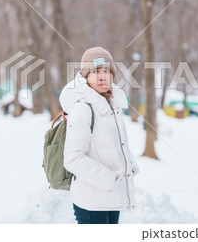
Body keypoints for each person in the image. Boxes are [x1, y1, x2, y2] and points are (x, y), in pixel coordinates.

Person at [59, 46, 139, 224]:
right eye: (95, 71)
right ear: (86, 76)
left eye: (107, 71)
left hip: (111, 198)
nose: (102, 76)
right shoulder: (83, 109)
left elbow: (116, 144)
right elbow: (72, 158)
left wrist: (130, 164)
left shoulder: (112, 106)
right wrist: (109, 180)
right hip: (92, 202)